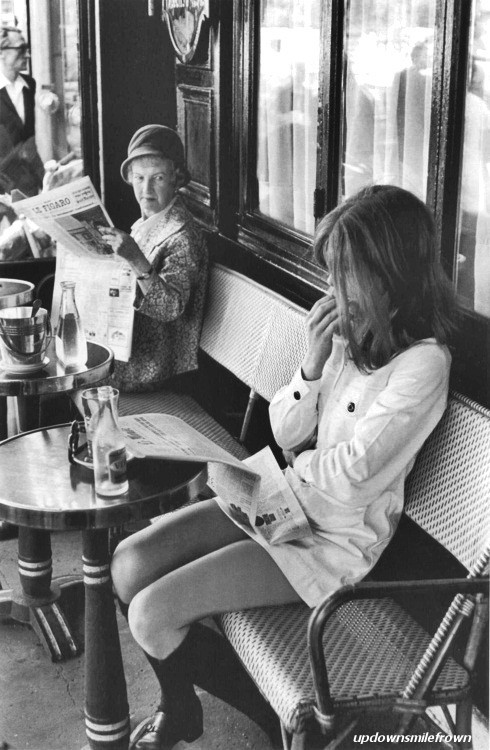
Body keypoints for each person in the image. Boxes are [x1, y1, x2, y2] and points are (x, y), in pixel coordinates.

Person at [110, 184, 458, 750]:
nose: (332, 290)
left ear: (388, 274)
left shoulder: (423, 365)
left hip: (330, 543)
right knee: (129, 563)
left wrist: (298, 465)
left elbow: (350, 481)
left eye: (344, 274)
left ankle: (277, 722)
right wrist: (314, 364)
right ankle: (183, 710)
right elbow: (286, 431)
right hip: (282, 498)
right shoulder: (353, 336)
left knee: (151, 614)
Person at [97, 124, 208, 394]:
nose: (146, 190)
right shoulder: (147, 223)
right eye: (139, 178)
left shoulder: (183, 236)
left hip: (155, 369)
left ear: (176, 178)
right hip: (130, 350)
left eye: (157, 178)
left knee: (71, 379)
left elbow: (170, 309)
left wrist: (135, 258)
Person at [0, 25, 43, 196]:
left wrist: (42, 176)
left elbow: (28, 139)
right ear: (2, 52)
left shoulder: (29, 85)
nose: (27, 54)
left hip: (26, 182)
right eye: (21, 49)